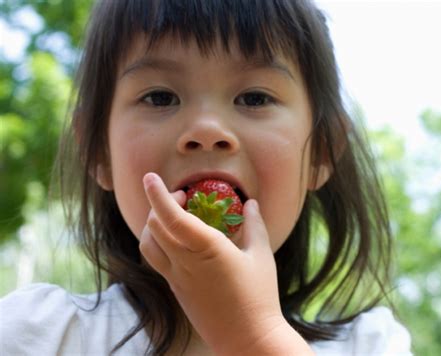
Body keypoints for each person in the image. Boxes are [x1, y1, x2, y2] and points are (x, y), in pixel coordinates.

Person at [0, 0, 412, 355]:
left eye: (254, 98)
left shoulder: (369, 345)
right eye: (160, 97)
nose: (207, 130)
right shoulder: (39, 336)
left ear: (321, 150)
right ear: (97, 150)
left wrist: (253, 335)